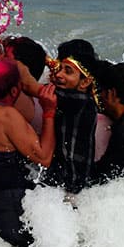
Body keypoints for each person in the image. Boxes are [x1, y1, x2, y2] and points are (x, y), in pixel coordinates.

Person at [0, 60, 57, 247]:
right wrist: (49, 112)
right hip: (13, 210)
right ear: (15, 91)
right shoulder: (6, 116)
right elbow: (44, 158)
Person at [43, 40, 101, 194]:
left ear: (85, 82)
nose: (59, 74)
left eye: (68, 71)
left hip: (71, 187)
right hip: (67, 184)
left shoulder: (81, 101)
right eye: (59, 68)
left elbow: (34, 88)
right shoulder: (78, 96)